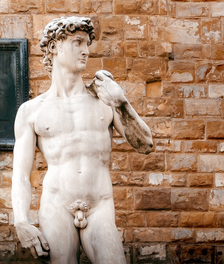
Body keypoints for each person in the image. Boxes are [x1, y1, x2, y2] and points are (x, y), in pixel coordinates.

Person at [12, 16, 153, 263]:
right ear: (54, 47)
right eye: (78, 42)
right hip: (56, 205)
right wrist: (21, 221)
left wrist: (122, 103)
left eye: (87, 44)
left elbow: (145, 145)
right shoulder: (31, 111)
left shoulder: (104, 100)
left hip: (99, 206)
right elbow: (21, 175)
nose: (85, 51)